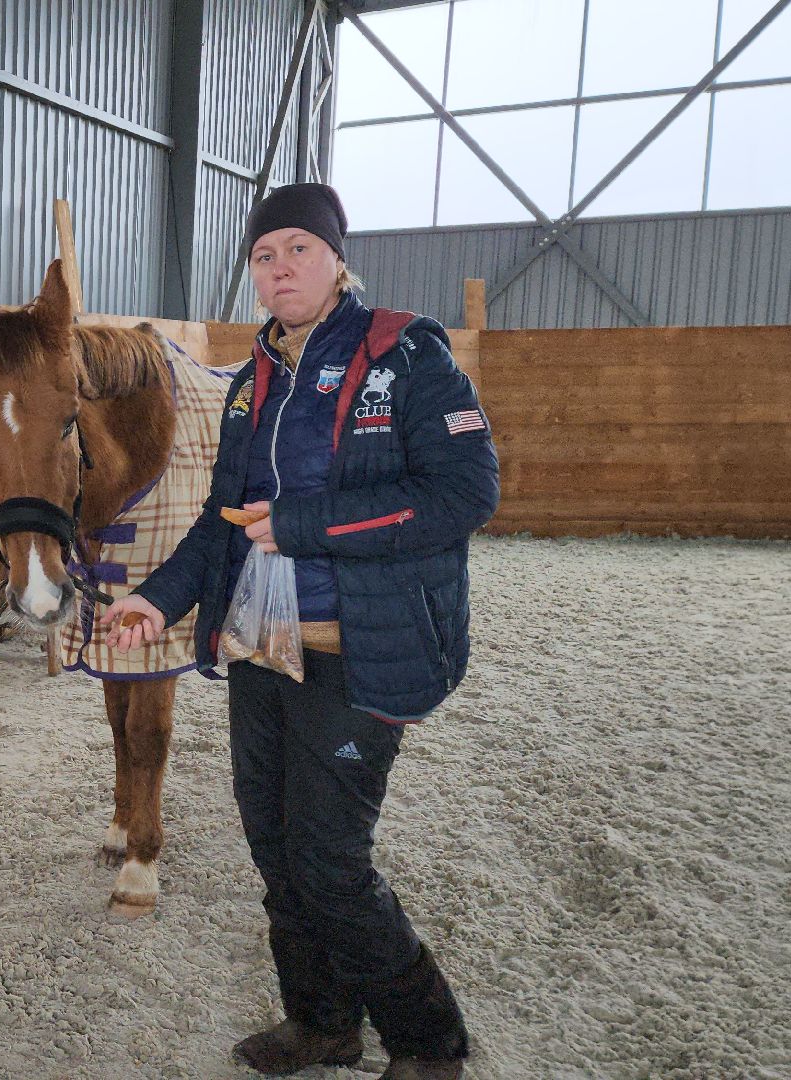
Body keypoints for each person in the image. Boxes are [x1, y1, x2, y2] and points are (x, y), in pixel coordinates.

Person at [101, 182, 497, 1080]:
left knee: (329, 861)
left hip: (360, 655)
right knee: (277, 851)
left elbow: (467, 493)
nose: (280, 270)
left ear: (336, 258)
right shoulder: (253, 382)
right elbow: (220, 522)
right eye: (263, 256)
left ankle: (430, 1041)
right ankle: (321, 1024)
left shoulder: (408, 358)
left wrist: (309, 525)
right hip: (260, 652)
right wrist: (156, 601)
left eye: (298, 250)